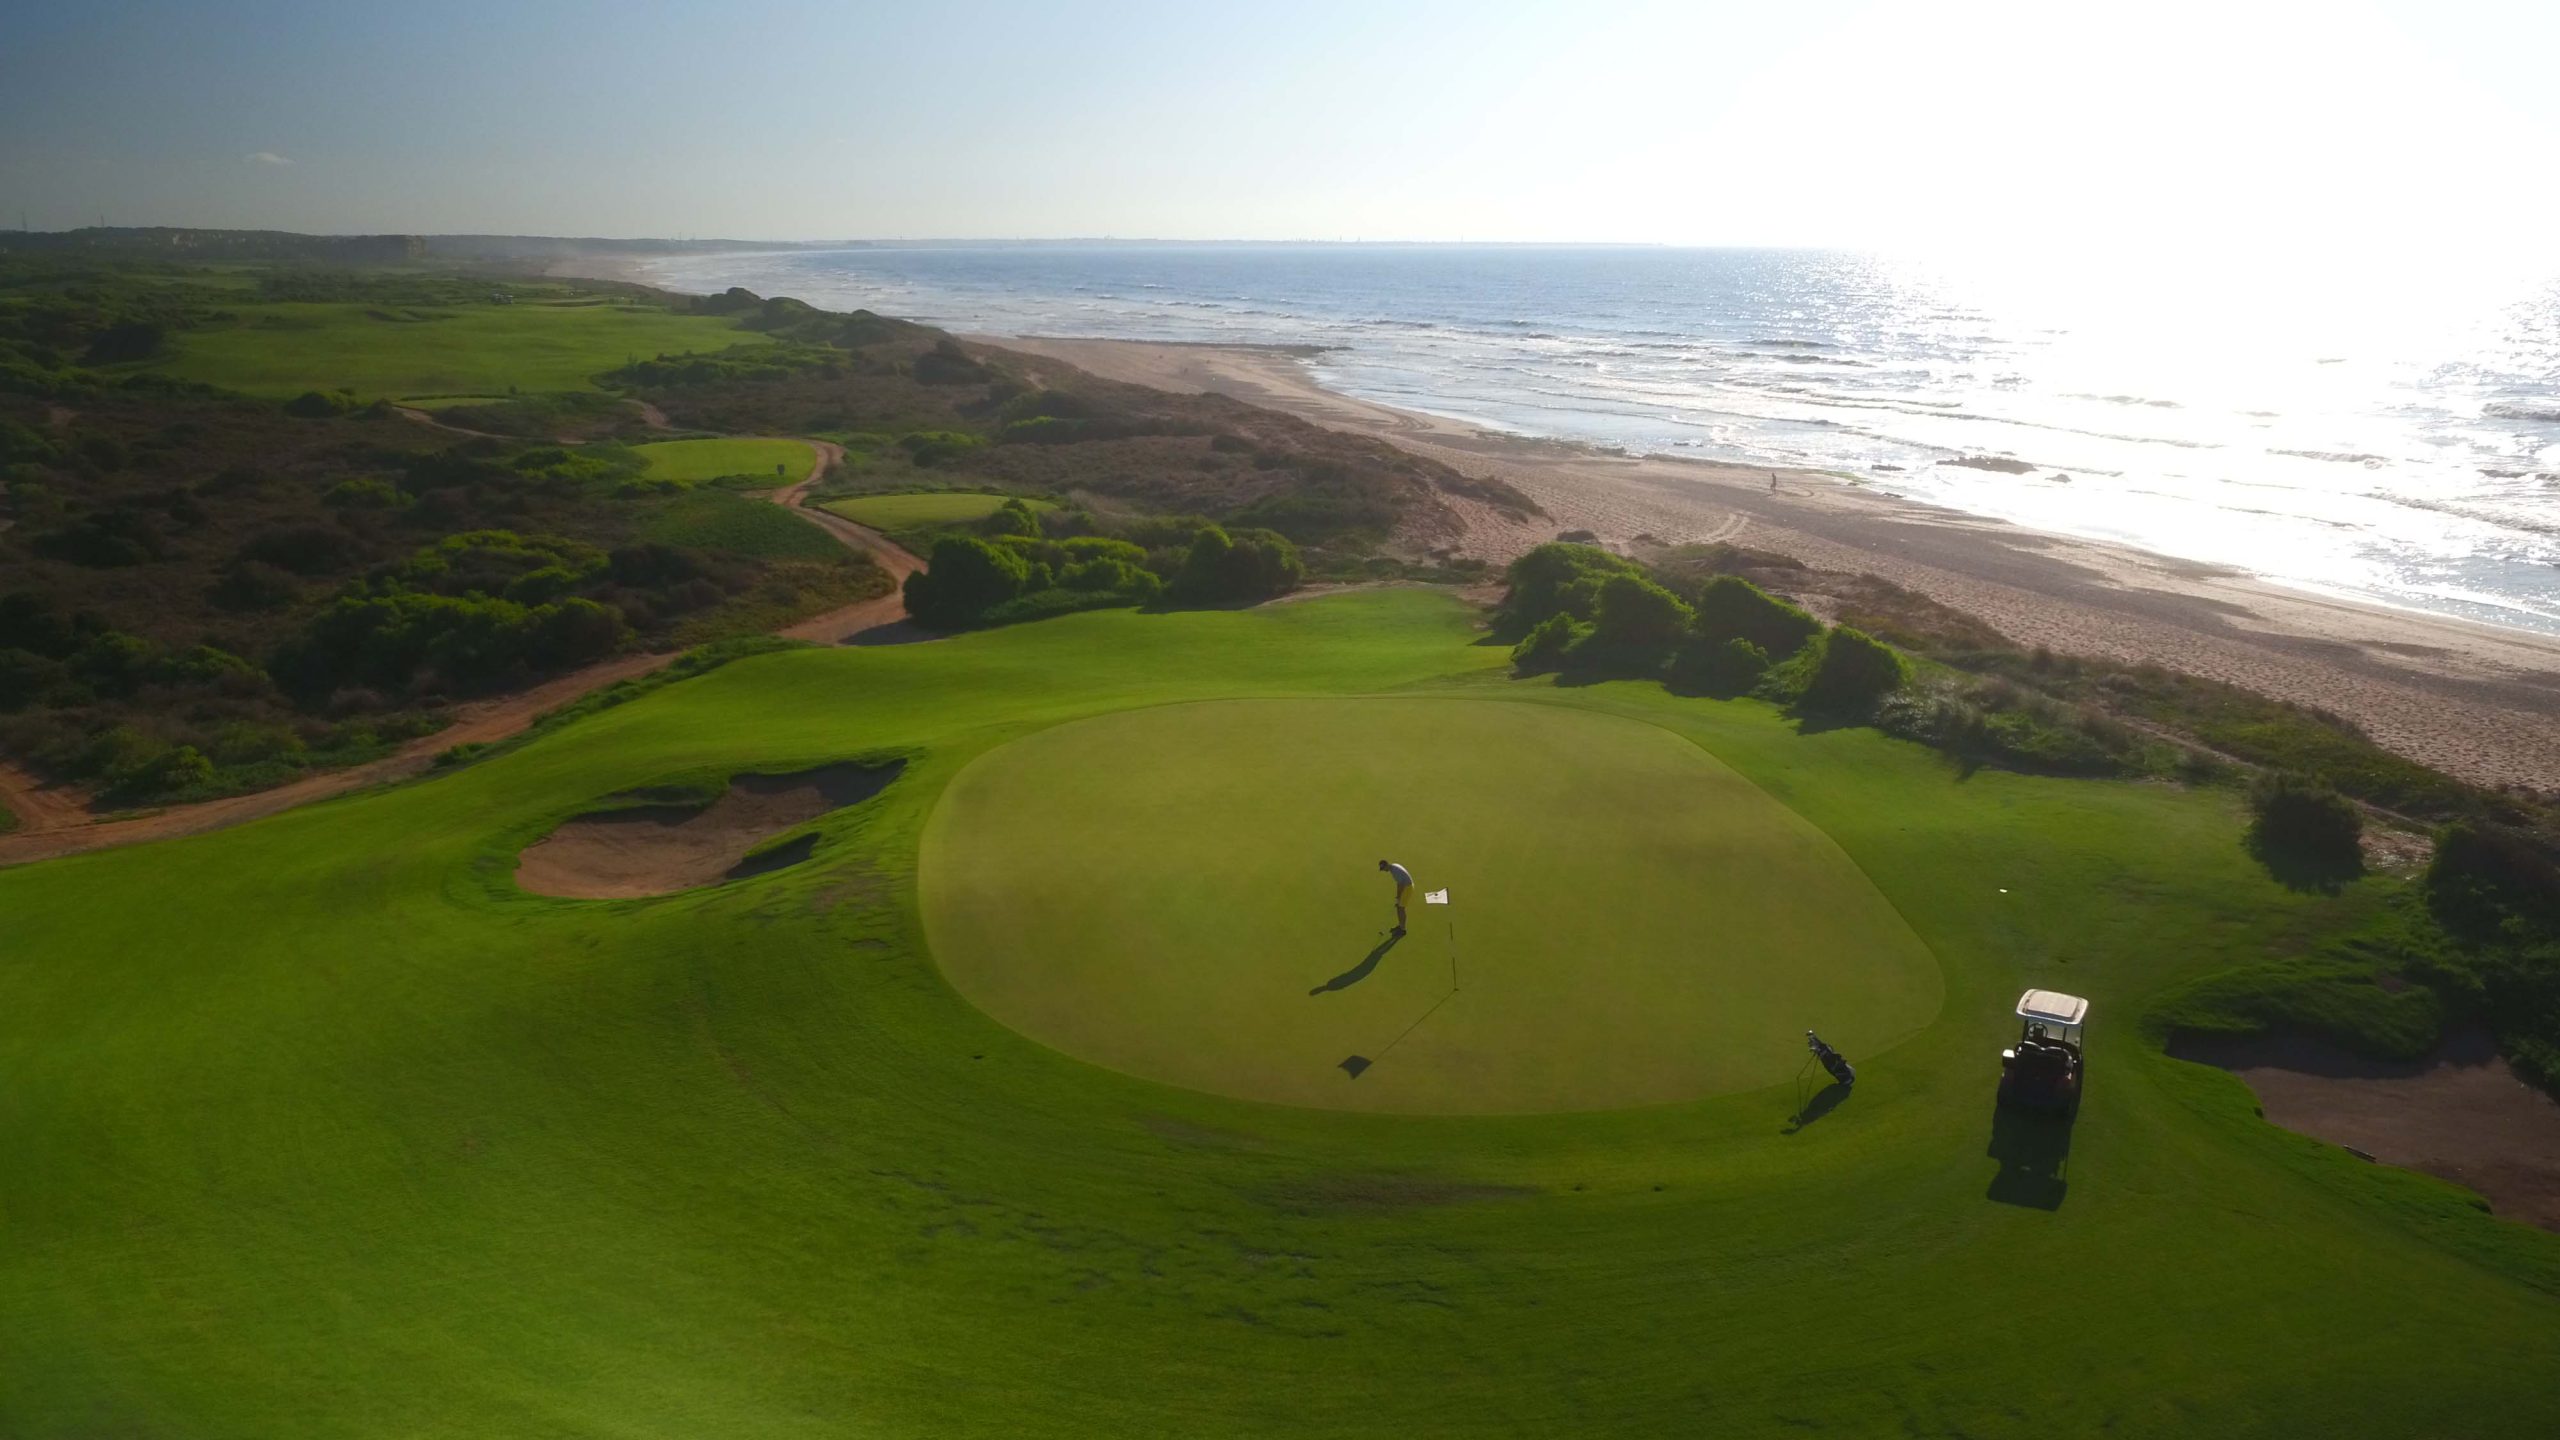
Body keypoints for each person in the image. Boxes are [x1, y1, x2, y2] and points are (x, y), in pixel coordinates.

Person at [1377, 859, 1413, 935]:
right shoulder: (1393, 867)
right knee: (1399, 907)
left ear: (1386, 865)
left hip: (1407, 888)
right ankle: (1400, 926)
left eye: (1383, 869)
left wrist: (1398, 897)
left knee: (1401, 908)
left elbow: (1401, 885)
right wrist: (1398, 897)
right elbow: (1399, 884)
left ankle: (1403, 930)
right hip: (1406, 887)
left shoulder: (1395, 871)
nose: (1384, 870)